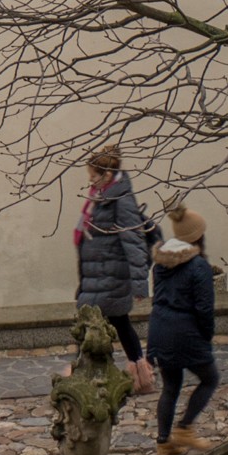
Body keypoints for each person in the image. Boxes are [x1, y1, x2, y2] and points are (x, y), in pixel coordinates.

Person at [73, 146, 156, 392]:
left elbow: (133, 241)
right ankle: (140, 376)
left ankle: (85, 374)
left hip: (110, 275)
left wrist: (140, 284)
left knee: (90, 321)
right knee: (118, 323)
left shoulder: (121, 201)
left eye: (94, 174)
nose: (90, 178)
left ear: (107, 175)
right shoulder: (100, 197)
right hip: (97, 273)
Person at [148, 201, 221, 455]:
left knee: (171, 386)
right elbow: (204, 308)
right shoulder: (198, 267)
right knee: (210, 378)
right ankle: (184, 428)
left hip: (160, 328)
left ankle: (164, 443)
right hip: (186, 332)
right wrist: (206, 335)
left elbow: (157, 299)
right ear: (199, 236)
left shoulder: (160, 264)